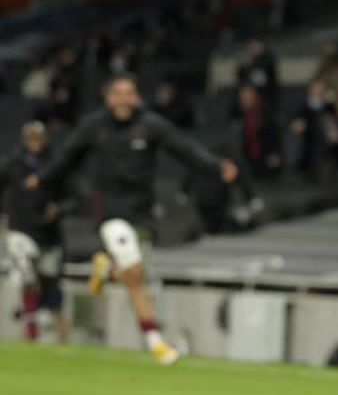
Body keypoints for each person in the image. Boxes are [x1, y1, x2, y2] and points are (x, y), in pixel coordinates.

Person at [26, 73, 238, 364]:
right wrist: (42, 179)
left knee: (133, 273)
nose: (124, 99)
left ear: (137, 97)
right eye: (118, 93)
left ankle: (107, 268)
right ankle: (155, 340)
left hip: (142, 214)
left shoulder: (151, 125)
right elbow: (67, 157)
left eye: (129, 93)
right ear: (108, 97)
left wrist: (216, 166)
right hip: (110, 211)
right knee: (135, 272)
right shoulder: (94, 127)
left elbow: (185, 149)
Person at [1, 121, 68, 342]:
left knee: (50, 285)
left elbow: (74, 197)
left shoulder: (55, 166)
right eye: (31, 138)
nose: (35, 142)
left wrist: (59, 208)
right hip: (20, 229)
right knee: (27, 277)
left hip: (47, 235)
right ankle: (31, 332)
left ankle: (61, 334)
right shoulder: (13, 165)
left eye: (39, 137)